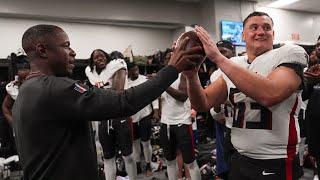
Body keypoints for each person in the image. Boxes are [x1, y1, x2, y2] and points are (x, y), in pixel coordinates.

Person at [12, 24, 203, 180]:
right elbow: (123, 102)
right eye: (66, 45)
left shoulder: (27, 89)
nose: (73, 52)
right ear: (42, 50)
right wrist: (171, 69)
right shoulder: (54, 88)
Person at [184, 11, 308, 180]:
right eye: (254, 27)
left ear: (273, 34)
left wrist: (218, 58)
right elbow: (203, 103)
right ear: (243, 35)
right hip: (239, 158)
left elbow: (269, 94)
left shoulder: (289, 53)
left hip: (275, 160)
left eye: (267, 27)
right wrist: (192, 75)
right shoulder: (234, 64)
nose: (261, 31)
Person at [85, 49, 138, 180]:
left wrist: (98, 94)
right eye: (96, 57)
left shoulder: (117, 64)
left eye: (102, 56)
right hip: (103, 117)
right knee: (108, 157)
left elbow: (117, 91)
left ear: (107, 57)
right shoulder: (91, 72)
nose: (99, 59)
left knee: (128, 156)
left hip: (120, 115)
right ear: (92, 61)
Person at [156, 44, 202, 180]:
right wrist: (157, 109)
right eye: (167, 58)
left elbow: (182, 96)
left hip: (182, 122)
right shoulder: (161, 75)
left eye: (173, 56)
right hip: (166, 123)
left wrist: (161, 83)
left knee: (190, 161)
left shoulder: (184, 73)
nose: (170, 59)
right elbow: (159, 97)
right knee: (170, 161)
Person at [209, 40, 236, 180]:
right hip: (224, 122)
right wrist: (218, 104)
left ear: (234, 52)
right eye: (217, 51)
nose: (219, 54)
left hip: (244, 122)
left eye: (224, 51)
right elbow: (214, 109)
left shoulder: (244, 68)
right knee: (226, 161)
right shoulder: (215, 75)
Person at [126, 61, 156, 177]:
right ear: (128, 71)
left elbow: (153, 95)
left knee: (146, 142)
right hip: (132, 117)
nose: (135, 71)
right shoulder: (125, 83)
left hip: (145, 115)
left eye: (136, 68)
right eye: (132, 69)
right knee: (135, 143)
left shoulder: (145, 79)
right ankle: (138, 165)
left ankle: (148, 165)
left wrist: (156, 110)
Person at [303, 37, 320, 180]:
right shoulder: (316, 67)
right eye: (318, 44)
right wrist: (306, 82)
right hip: (314, 128)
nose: (319, 47)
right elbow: (304, 96)